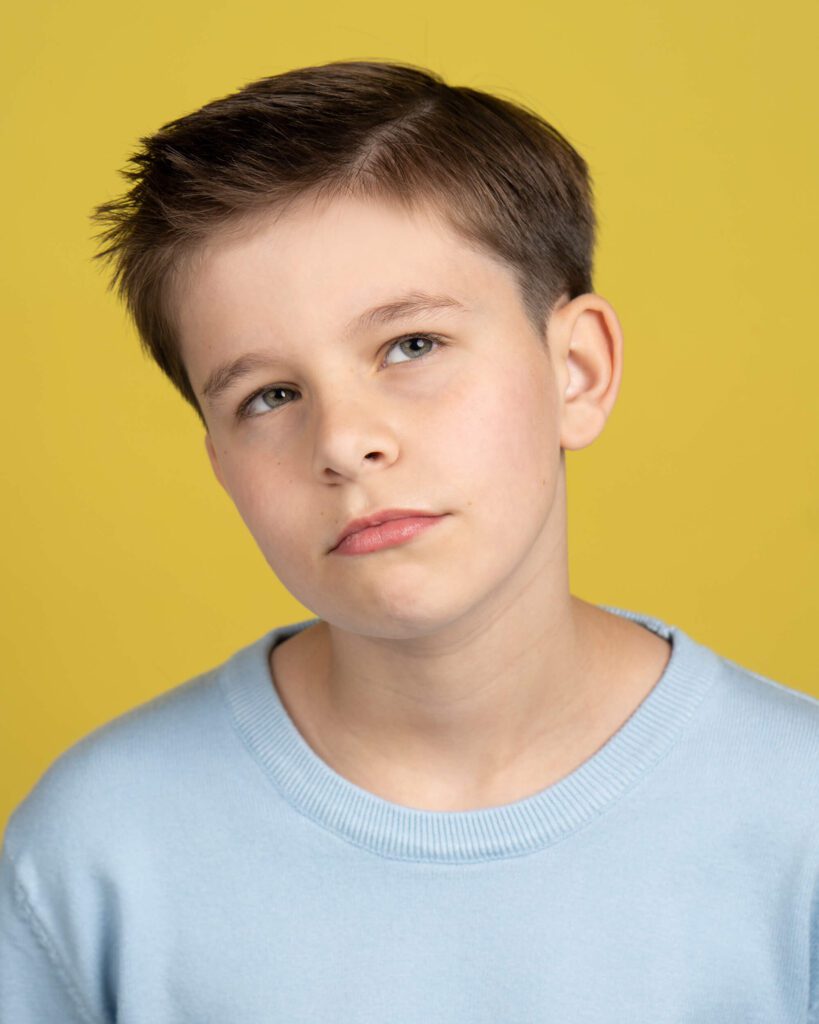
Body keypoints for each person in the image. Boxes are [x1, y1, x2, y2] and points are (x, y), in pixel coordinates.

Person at [1, 59, 817, 1023]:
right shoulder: (97, 851)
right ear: (222, 462)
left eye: (411, 346)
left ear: (579, 371)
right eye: (269, 396)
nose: (345, 442)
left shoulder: (796, 819)